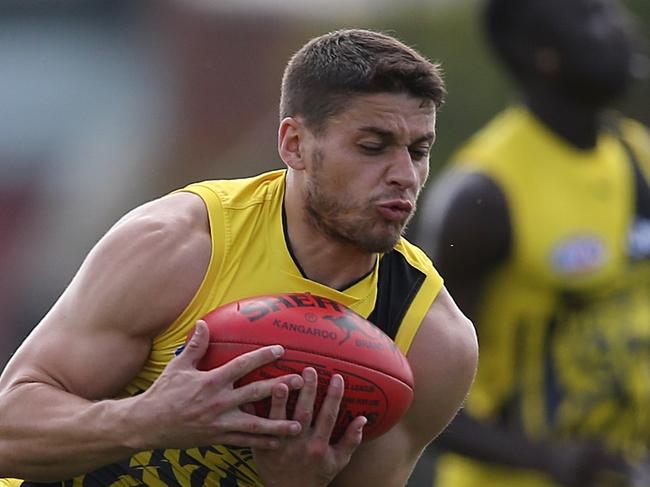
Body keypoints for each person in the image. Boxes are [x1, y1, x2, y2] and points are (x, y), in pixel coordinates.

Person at [0, 29, 478, 486]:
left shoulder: (432, 342)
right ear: (294, 144)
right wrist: (147, 420)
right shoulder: (178, 245)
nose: (404, 175)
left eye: (419, 151)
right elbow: (8, 431)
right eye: (373, 147)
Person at [416, 0, 650, 486]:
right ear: (540, 52)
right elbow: (416, 394)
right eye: (592, 15)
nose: (621, 26)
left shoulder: (638, 156)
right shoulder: (482, 197)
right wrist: (547, 458)